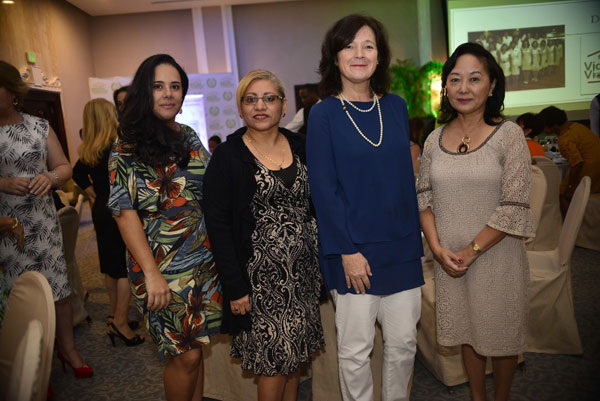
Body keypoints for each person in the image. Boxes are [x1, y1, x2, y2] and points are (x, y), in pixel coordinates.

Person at [306, 15, 424, 401]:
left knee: (404, 344)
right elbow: (324, 191)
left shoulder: (395, 107)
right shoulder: (323, 114)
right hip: (354, 251)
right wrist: (346, 252)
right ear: (335, 56)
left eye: (368, 46)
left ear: (379, 56)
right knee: (356, 351)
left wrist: (416, 243)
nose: (359, 54)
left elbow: (403, 182)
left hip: (402, 249)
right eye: (349, 45)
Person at [417, 42, 534, 401]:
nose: (463, 88)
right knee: (467, 332)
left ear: (492, 85)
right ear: (446, 87)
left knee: (499, 336)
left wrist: (471, 251)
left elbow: (514, 204)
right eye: (455, 79)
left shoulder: (510, 135)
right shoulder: (434, 139)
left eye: (474, 79)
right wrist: (438, 249)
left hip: (495, 256)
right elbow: (423, 198)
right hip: (449, 258)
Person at [203, 69, 324, 401]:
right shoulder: (228, 157)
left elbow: (319, 205)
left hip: (303, 276)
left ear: (283, 106)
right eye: (251, 99)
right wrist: (235, 287)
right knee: (272, 364)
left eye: (269, 98)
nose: (260, 106)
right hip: (259, 282)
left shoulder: (302, 146)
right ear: (241, 108)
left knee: (295, 359)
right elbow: (219, 228)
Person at [108, 54, 222, 400]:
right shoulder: (126, 145)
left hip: (203, 262)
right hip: (160, 268)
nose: (168, 94)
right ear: (145, 91)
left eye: (175, 86)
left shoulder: (187, 135)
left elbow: (211, 185)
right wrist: (151, 272)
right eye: (158, 86)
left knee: (195, 350)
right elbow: (123, 213)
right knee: (183, 355)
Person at [0, 60, 93, 378]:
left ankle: (68, 350)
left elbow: (65, 166)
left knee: (59, 289)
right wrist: (3, 183)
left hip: (43, 220)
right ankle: (32, 366)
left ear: (12, 91)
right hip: (7, 227)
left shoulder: (38, 126)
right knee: (20, 296)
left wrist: (51, 178)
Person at [72, 98, 143, 347]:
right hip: (120, 210)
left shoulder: (90, 149)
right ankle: (121, 323)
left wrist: (94, 195)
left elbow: (77, 174)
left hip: (101, 209)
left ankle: (114, 316)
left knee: (110, 267)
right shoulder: (117, 145)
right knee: (125, 266)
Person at [538, 105, 600, 213]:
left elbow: (577, 164)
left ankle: (572, 223)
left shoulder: (565, 139)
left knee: (561, 194)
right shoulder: (576, 126)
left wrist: (571, 188)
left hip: (591, 170)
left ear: (552, 125)